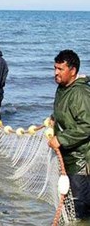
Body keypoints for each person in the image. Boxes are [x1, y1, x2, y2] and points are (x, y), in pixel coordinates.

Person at [48, 49, 90, 219]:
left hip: (81, 162)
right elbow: (67, 113)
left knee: (78, 211)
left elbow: (87, 125)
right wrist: (53, 119)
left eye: (60, 69)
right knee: (69, 206)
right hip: (68, 159)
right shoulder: (63, 88)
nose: (56, 73)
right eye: (55, 68)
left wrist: (61, 138)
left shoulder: (80, 93)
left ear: (72, 71)